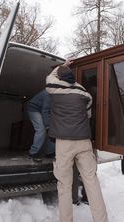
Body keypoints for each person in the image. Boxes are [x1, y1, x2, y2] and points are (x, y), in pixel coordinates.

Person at [46, 60, 108, 222]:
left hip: (64, 143)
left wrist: (64, 64)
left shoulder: (54, 88)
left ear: (60, 78)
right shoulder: (84, 92)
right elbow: (87, 114)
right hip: (84, 141)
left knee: (64, 185)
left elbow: (50, 76)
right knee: (91, 182)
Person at [27, 89, 55, 162]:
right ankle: (33, 153)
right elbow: (45, 110)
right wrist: (47, 126)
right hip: (34, 109)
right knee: (41, 129)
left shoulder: (60, 95)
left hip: (45, 111)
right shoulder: (49, 93)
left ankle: (50, 153)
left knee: (52, 130)